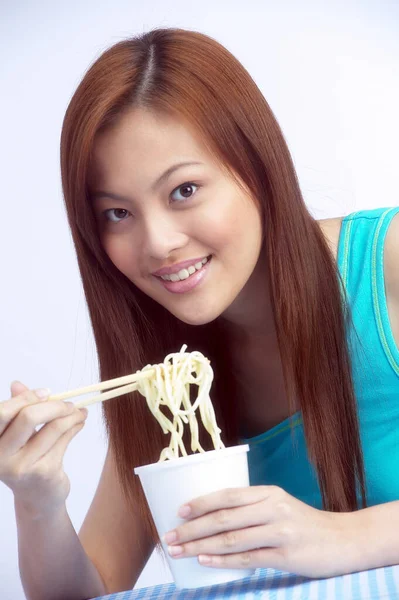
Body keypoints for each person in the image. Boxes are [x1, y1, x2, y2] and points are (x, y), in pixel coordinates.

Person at [1, 27, 398, 600]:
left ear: (259, 169)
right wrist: (38, 501)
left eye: (184, 190)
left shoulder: (387, 263)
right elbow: (85, 592)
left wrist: (342, 536)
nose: (157, 243)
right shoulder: (166, 380)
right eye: (117, 213)